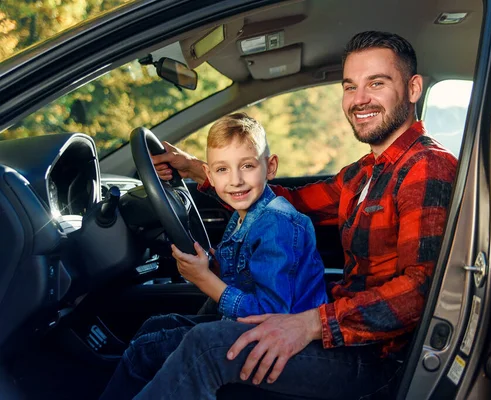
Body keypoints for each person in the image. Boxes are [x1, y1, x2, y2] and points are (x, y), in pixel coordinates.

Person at [118, 30, 457, 399]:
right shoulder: (366, 171)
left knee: (207, 347)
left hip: (379, 360)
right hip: (342, 332)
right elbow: (285, 200)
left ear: (412, 88)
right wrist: (201, 170)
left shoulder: (427, 166)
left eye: (376, 83)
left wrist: (310, 324)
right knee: (157, 332)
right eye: (349, 87)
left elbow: (421, 291)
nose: (359, 100)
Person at [100, 113, 327, 400]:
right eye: (222, 170)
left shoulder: (277, 224)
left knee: (146, 351)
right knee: (157, 326)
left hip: (285, 346)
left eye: (247, 166)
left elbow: (272, 316)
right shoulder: (244, 216)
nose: (236, 181)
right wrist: (212, 263)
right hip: (253, 329)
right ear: (208, 174)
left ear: (270, 167)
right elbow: (244, 276)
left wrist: (205, 279)